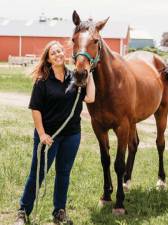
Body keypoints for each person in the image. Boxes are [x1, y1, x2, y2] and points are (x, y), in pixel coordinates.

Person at [14, 40, 95, 225]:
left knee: (63, 173)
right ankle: (23, 212)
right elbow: (36, 109)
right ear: (49, 59)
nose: (58, 54)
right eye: (53, 53)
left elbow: (90, 97)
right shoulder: (42, 81)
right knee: (37, 173)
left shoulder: (75, 77)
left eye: (60, 51)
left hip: (72, 135)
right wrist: (42, 134)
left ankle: (59, 212)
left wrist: (90, 75)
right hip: (48, 136)